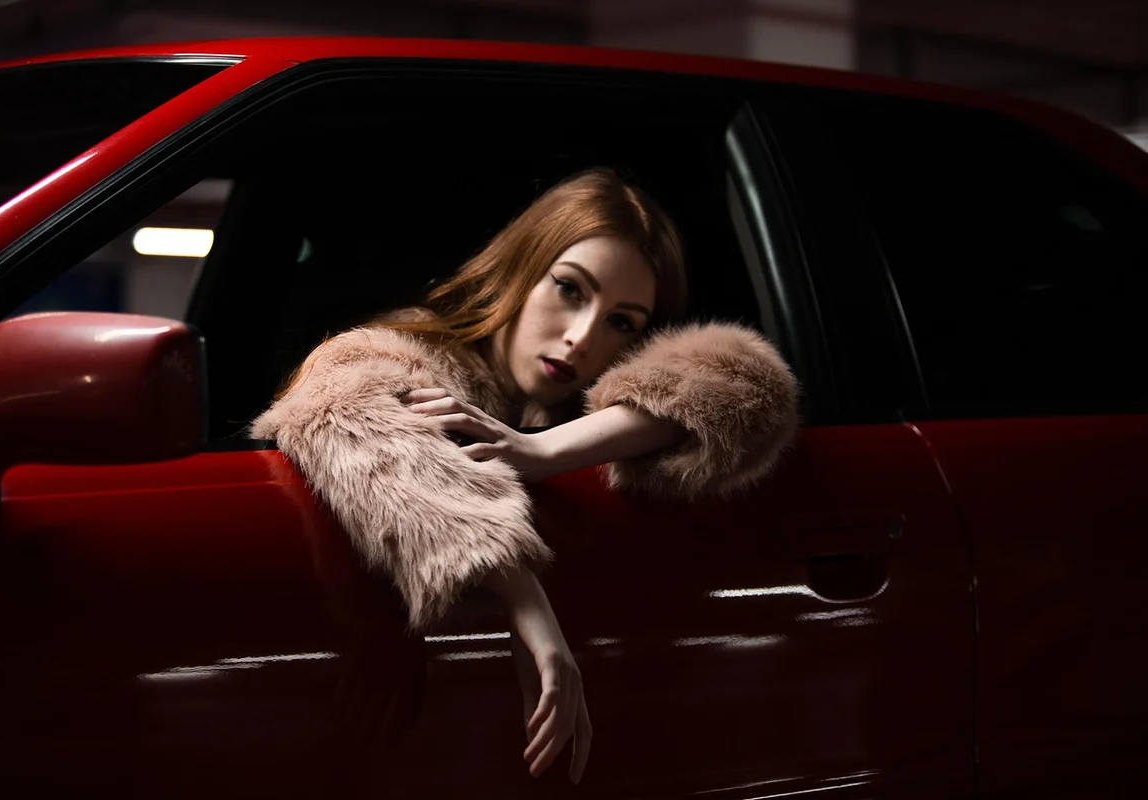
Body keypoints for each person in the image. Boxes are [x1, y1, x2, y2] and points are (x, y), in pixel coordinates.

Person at [250, 167, 800, 785]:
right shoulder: (410, 353)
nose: (582, 337)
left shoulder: (586, 405)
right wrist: (529, 608)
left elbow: (749, 387)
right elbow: (349, 414)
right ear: (521, 270)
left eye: (623, 321)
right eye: (570, 289)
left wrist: (544, 451)